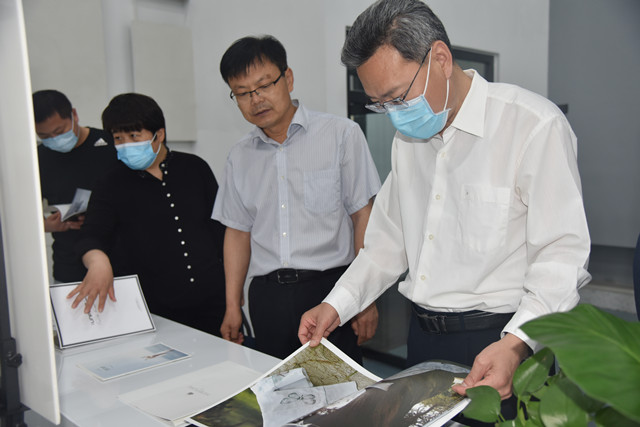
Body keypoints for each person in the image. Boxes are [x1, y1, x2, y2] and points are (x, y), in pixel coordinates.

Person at [298, 0, 591, 415]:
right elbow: (386, 246)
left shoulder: (531, 125)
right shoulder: (408, 144)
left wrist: (517, 343)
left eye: (398, 97)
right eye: (380, 104)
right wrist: (336, 304)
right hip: (424, 339)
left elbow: (561, 254)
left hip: (503, 340)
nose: (394, 116)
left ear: (440, 59)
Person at [213, 35, 381, 362]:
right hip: (268, 296)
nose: (256, 99)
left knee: (340, 387)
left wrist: (365, 298)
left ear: (287, 78)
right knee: (277, 385)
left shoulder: (341, 135)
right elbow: (237, 232)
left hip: (331, 289)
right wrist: (232, 305)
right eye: (243, 93)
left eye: (264, 85)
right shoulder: (239, 156)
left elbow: (363, 216)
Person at [67, 93, 226, 336]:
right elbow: (91, 236)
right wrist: (97, 262)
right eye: (118, 138)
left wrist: (233, 297)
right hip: (154, 312)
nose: (126, 145)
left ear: (158, 135)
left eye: (134, 136)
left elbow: (221, 232)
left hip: (213, 303)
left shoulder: (195, 168)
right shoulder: (110, 183)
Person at [34, 89, 118, 283]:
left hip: (116, 257)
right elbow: (20, 214)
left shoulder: (109, 145)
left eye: (59, 131)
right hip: (68, 264)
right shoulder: (39, 158)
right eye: (44, 136)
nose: (54, 139)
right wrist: (45, 225)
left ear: (74, 115)